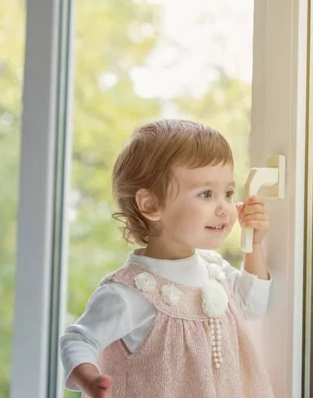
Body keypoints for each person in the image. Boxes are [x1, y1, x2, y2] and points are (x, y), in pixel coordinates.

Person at [59, 119, 275, 398]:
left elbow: (254, 305)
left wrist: (254, 243)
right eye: (207, 194)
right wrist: (91, 380)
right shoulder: (130, 292)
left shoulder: (215, 271)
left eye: (229, 193)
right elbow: (78, 340)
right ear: (151, 205)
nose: (224, 208)